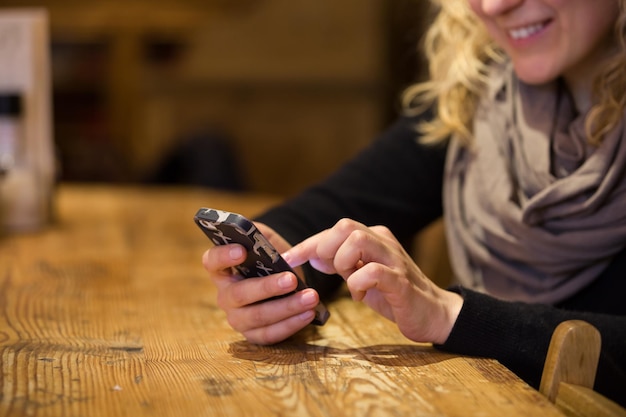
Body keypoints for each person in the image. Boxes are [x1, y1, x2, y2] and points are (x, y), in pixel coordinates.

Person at [202, 0, 626, 406]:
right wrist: (279, 278)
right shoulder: (483, 100)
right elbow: (319, 212)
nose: (495, 5)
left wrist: (450, 314)